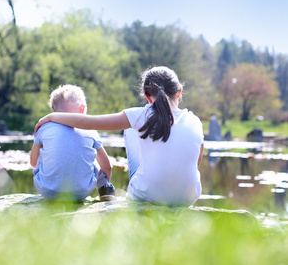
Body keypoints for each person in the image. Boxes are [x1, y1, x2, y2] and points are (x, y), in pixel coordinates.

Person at [35, 66, 204, 206]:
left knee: (131, 129)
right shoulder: (195, 121)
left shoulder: (138, 115)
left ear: (146, 95)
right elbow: (196, 162)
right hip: (187, 197)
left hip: (148, 195)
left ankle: (143, 184)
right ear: (179, 91)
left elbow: (88, 122)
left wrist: (51, 117)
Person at [30, 84, 116, 202]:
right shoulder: (90, 129)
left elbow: (33, 162)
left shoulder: (44, 127)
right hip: (81, 192)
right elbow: (107, 167)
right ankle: (104, 189)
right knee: (93, 159)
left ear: (54, 111)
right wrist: (103, 181)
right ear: (82, 108)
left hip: (48, 191)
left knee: (43, 153)